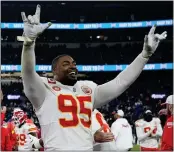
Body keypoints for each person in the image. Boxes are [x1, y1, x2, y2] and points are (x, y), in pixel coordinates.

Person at [19, 4, 167, 150]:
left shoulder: (88, 88)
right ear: (54, 71)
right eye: (66, 63)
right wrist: (29, 43)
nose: (72, 66)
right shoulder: (43, 89)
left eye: (74, 63)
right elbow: (28, 73)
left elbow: (121, 82)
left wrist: (144, 56)